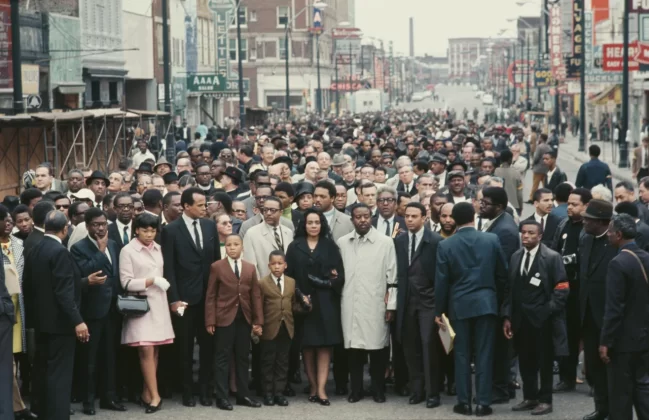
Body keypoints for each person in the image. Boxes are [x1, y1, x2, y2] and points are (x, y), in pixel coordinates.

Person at [434, 202, 508, 417]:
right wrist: (498, 300)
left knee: (462, 354)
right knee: (485, 354)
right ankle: (483, 402)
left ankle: (464, 402)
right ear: (474, 217)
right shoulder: (491, 239)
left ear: (454, 219)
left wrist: (439, 311)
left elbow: (442, 281)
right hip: (486, 303)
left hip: (459, 304)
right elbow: (502, 274)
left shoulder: (446, 245)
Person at [23, 210, 89, 419]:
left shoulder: (36, 248)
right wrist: (77, 321)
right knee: (59, 374)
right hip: (60, 324)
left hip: (42, 323)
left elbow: (30, 287)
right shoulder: (59, 252)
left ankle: (41, 411)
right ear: (65, 229)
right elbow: (63, 291)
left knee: (42, 370)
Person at [502, 220, 569, 416]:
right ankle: (530, 397)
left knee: (545, 362)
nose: (526, 236)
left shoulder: (551, 257)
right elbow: (509, 289)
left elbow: (562, 288)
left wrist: (547, 310)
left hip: (543, 320)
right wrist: (507, 316)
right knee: (525, 361)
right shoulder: (516, 257)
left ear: (540, 236)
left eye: (531, 233)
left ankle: (545, 400)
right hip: (521, 320)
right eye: (523, 233)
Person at [161, 187, 220, 407]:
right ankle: (187, 391)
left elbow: (215, 262)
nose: (205, 208)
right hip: (184, 299)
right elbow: (169, 269)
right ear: (186, 206)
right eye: (200, 204)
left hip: (208, 298)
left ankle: (205, 390)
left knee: (208, 347)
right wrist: (174, 299)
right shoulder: (171, 230)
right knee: (184, 348)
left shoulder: (209, 225)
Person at [338, 203, 397, 404]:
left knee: (378, 348)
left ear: (372, 217)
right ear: (352, 219)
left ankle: (378, 389)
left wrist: (391, 306)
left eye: (366, 216)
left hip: (376, 302)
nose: (362, 220)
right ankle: (356, 389)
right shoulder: (343, 242)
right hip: (351, 303)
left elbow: (393, 277)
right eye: (358, 217)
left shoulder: (385, 242)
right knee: (354, 349)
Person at [285, 209, 345, 403]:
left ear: (322, 224)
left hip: (326, 302)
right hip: (303, 302)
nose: (313, 226)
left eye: (317, 222)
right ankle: (311, 386)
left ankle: (321, 389)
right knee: (307, 346)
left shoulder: (330, 246)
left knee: (325, 346)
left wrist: (328, 282)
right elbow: (289, 277)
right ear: (304, 224)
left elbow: (339, 276)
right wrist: (300, 296)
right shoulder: (294, 247)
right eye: (310, 222)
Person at [70, 208, 125, 415]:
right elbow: (84, 273)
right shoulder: (79, 248)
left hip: (113, 309)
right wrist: (100, 252)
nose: (101, 228)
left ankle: (109, 398)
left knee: (110, 356)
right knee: (90, 359)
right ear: (87, 226)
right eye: (96, 225)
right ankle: (88, 401)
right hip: (92, 311)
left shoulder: (113, 244)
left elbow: (116, 274)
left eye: (103, 224)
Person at [119, 213, 174, 413]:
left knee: (155, 349)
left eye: (152, 230)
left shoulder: (159, 248)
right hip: (140, 305)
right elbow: (125, 282)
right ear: (136, 230)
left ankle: (146, 393)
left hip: (159, 303)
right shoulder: (128, 250)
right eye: (145, 230)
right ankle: (155, 396)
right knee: (145, 349)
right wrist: (150, 281)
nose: (149, 234)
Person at [205, 234, 263, 411]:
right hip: (224, 318)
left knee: (243, 357)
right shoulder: (217, 267)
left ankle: (243, 394)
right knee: (222, 357)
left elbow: (255, 295)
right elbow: (211, 295)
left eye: (236, 244)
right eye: (229, 245)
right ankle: (222, 397)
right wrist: (210, 320)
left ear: (242, 247)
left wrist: (258, 320)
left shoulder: (250, 268)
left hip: (244, 318)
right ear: (225, 248)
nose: (232, 247)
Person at [600, 214, 649, 420]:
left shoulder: (618, 263)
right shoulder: (646, 257)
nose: (608, 235)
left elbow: (614, 309)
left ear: (618, 235)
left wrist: (605, 341)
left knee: (620, 396)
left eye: (610, 232)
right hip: (645, 337)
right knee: (643, 389)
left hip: (623, 342)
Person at [395, 202, 443, 408]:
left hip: (428, 302)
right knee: (410, 347)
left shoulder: (436, 241)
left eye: (414, 216)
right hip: (406, 302)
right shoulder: (399, 240)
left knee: (428, 346)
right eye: (407, 216)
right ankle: (417, 390)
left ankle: (432, 393)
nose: (410, 220)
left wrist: (439, 307)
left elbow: (442, 276)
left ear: (424, 217)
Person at [579, 199, 617, 420]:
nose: (584, 221)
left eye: (589, 219)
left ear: (602, 222)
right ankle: (601, 408)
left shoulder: (613, 243)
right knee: (592, 366)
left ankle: (614, 410)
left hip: (608, 316)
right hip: (588, 315)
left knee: (610, 367)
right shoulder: (585, 240)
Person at [259, 250, 310, 407]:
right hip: (269, 327)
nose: (276, 267)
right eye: (273, 264)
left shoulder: (291, 282)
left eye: (280, 263)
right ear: (269, 266)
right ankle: (267, 393)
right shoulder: (262, 283)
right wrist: (258, 324)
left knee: (282, 361)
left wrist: (305, 305)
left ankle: (279, 392)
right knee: (268, 361)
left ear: (285, 265)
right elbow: (259, 306)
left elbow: (293, 304)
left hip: (286, 327)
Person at [243, 197, 294, 279]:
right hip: (264, 285)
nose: (268, 213)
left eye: (272, 210)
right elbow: (250, 266)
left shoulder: (288, 232)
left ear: (281, 212)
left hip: (286, 284)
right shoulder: (251, 233)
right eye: (265, 210)